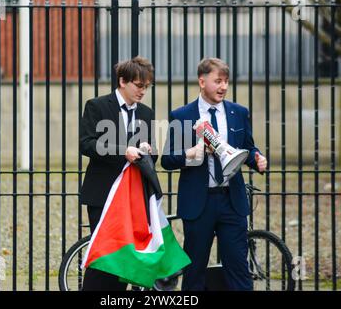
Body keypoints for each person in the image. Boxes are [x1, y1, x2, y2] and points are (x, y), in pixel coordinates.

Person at [161, 57, 267, 291]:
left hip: (232, 201)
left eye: (226, 81)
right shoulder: (181, 115)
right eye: (218, 81)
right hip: (199, 204)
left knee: (238, 269)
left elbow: (248, 148)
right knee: (195, 271)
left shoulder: (239, 112)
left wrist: (257, 158)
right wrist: (190, 153)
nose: (223, 87)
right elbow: (167, 160)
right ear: (201, 81)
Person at [79, 56, 157, 291]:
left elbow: (152, 156)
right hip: (103, 193)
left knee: (124, 260)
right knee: (106, 259)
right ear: (122, 81)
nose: (143, 91)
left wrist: (147, 151)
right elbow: (87, 144)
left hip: (133, 197)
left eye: (146, 86)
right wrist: (123, 151)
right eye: (139, 85)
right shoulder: (97, 105)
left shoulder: (146, 112)